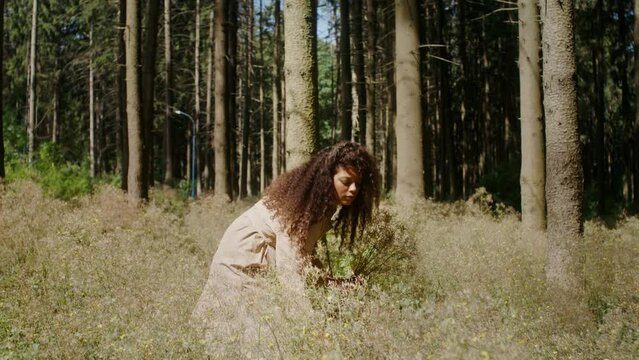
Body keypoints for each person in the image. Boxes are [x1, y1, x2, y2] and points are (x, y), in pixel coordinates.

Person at [192, 141, 380, 355]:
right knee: (254, 337)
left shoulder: (321, 205)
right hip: (241, 261)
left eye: (358, 183)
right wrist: (316, 333)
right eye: (346, 181)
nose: (354, 189)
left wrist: (332, 284)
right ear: (328, 178)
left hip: (259, 261)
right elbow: (290, 274)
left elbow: (305, 258)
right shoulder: (302, 210)